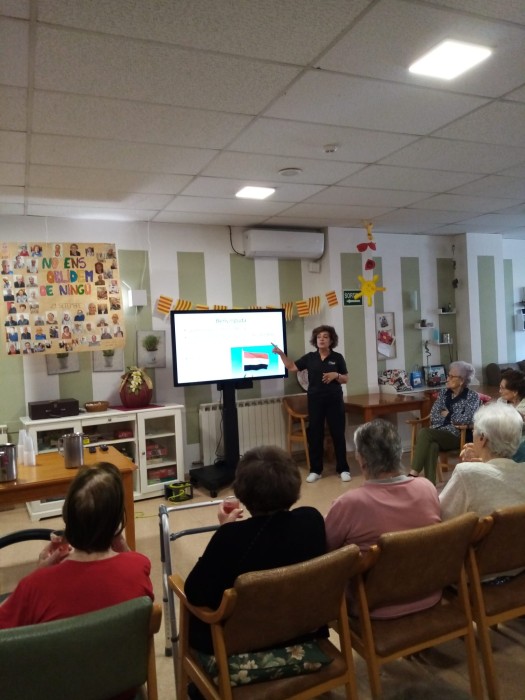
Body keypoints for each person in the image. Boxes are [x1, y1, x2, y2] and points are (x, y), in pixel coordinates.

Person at [184, 446, 326, 654]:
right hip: (304, 632)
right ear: (294, 484)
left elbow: (194, 593)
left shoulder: (230, 538)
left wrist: (225, 530)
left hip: (242, 646)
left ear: (242, 492)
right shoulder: (311, 519)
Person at [0, 462, 153, 631]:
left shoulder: (34, 587)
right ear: (117, 523)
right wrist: (123, 546)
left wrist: (38, 573)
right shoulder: (139, 567)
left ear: (67, 515)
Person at [325, 419, 441, 617]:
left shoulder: (349, 503)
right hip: (429, 594)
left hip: (375, 608)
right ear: (399, 453)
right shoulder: (427, 488)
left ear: (361, 459)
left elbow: (324, 550)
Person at [272, 325, 351, 482]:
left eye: (325, 337)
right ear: (315, 340)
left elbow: (346, 378)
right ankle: (316, 470)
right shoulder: (310, 358)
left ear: (331, 341)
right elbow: (291, 366)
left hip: (334, 400)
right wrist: (281, 354)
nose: (321, 339)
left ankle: (343, 469)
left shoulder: (337, 358)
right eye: (319, 337)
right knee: (315, 435)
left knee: (338, 434)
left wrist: (336, 375)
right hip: (315, 400)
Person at [440, 402, 525, 521]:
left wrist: (473, 468)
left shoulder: (466, 473)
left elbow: (440, 518)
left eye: (473, 431)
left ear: (482, 438)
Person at [409, 361, 481, 484]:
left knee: (425, 432)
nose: (447, 379)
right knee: (432, 445)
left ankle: (413, 473)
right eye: (448, 375)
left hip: (458, 435)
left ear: (461, 380)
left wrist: (447, 414)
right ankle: (430, 484)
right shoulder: (443, 393)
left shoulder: (472, 396)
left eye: (451, 376)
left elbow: (467, 419)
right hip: (438, 433)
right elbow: (434, 415)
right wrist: (453, 417)